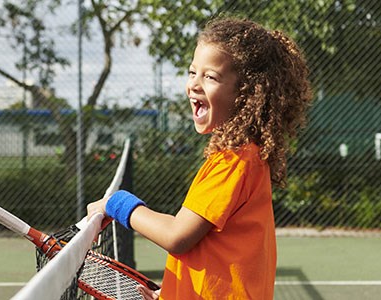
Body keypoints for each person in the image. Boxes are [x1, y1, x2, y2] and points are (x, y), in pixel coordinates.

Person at [86, 17, 313, 300]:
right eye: (192, 72)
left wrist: (115, 203)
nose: (194, 84)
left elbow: (177, 237)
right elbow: (215, 250)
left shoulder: (236, 161)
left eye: (210, 77)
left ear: (246, 93)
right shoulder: (243, 157)